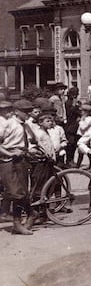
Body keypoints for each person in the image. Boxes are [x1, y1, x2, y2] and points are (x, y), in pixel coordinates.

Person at [0, 100, 33, 234]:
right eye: (25, 112)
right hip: (8, 161)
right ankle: (31, 213)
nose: (28, 114)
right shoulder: (8, 124)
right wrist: (10, 153)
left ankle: (17, 223)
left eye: (29, 111)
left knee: (23, 192)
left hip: (21, 160)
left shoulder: (25, 125)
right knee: (15, 192)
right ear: (16, 112)